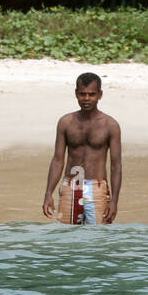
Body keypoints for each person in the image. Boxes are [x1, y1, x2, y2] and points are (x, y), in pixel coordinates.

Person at [42, 73, 122, 224]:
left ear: (100, 95)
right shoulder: (66, 122)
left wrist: (114, 201)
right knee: (67, 237)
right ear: (76, 94)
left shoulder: (110, 125)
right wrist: (48, 194)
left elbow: (116, 166)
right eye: (82, 94)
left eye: (91, 94)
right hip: (70, 186)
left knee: (99, 238)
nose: (86, 99)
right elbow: (58, 160)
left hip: (97, 188)